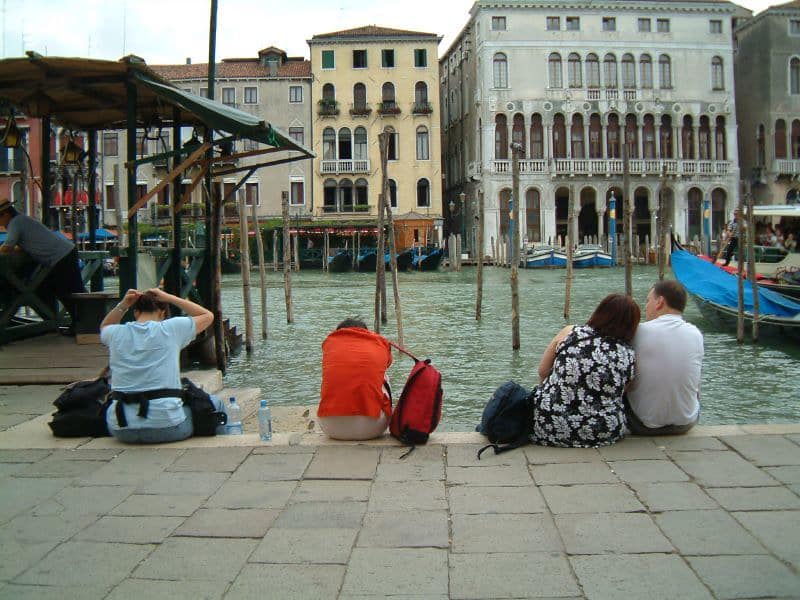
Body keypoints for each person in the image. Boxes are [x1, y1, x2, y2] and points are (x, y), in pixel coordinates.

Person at [100, 288, 214, 444]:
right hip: (167, 427)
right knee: (215, 404)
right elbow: (207, 316)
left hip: (121, 428)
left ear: (136, 313)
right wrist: (171, 297)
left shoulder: (115, 333)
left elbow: (104, 327)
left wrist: (123, 305)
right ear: (162, 314)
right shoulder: (171, 328)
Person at [530, 293, 639, 448]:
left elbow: (542, 371)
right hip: (603, 431)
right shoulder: (628, 354)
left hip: (549, 426)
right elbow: (623, 390)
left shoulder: (570, 332)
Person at [625, 281, 703, 435]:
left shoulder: (639, 331)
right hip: (686, 423)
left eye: (648, 300)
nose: (646, 306)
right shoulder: (696, 334)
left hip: (643, 425)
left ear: (660, 302)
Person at [0, 198, 85, 325]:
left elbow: (8, 247)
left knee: (68, 292)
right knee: (68, 290)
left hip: (60, 256)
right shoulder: (23, 220)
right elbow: (22, 246)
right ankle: (81, 322)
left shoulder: (15, 223)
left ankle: (81, 324)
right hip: (65, 252)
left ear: (5, 214)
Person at [318, 318, 392, 440]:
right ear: (366, 332)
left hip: (330, 428)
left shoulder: (329, 343)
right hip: (373, 428)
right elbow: (388, 363)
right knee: (383, 376)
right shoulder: (379, 343)